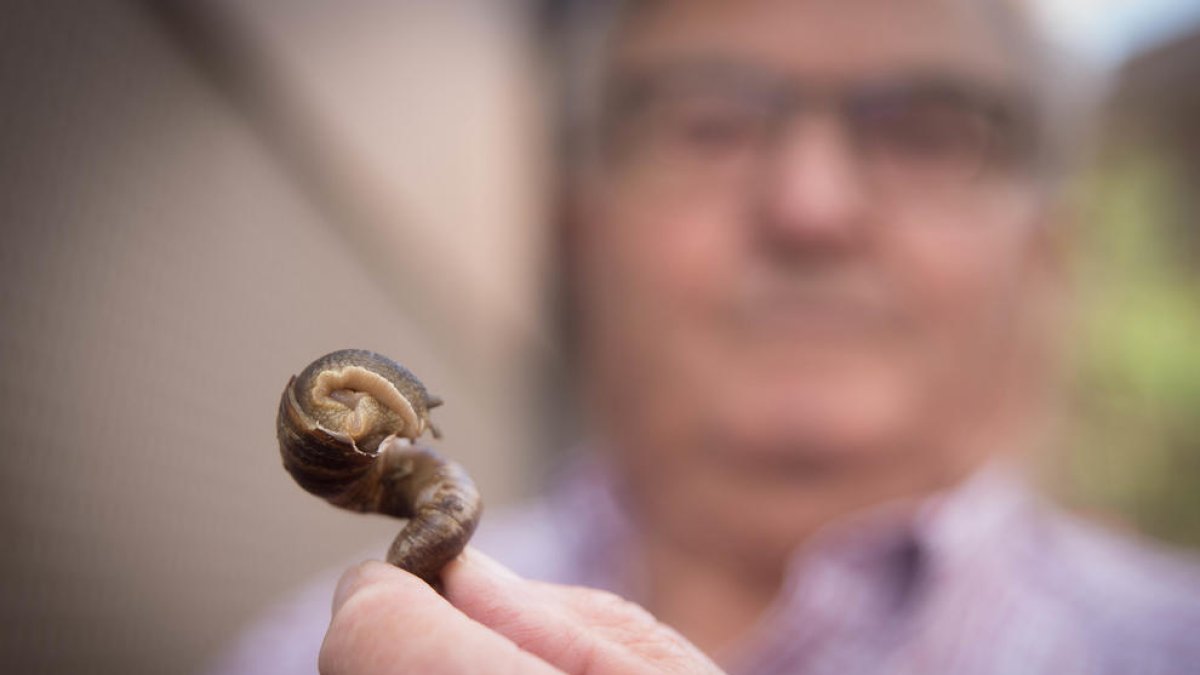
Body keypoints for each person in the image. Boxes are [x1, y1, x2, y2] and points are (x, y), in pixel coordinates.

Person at [214, 1, 1200, 673]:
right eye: (710, 121)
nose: (810, 208)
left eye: (923, 132)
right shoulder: (308, 652)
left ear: (1044, 255)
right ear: (574, 234)